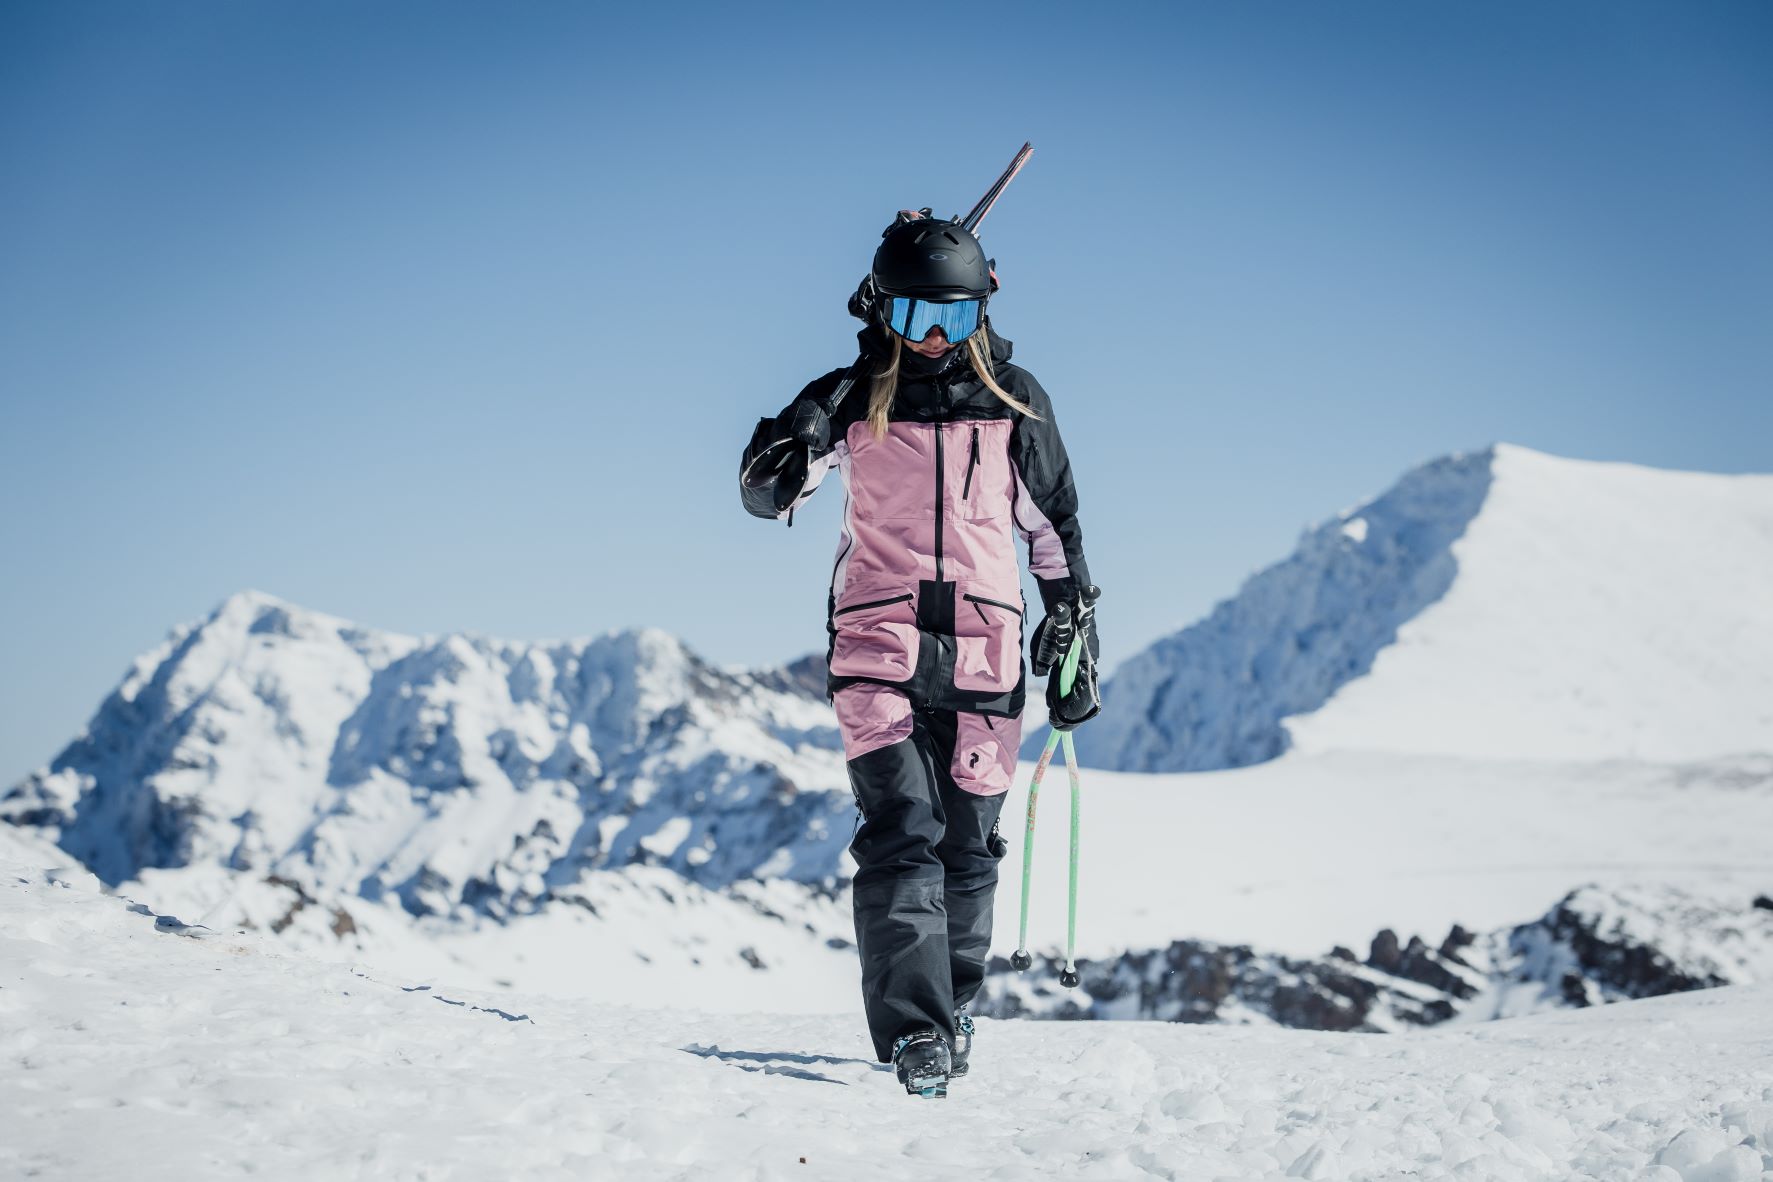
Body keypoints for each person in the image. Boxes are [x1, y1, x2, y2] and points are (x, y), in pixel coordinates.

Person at [739, 209, 1099, 1097]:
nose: (935, 340)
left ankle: (951, 1003)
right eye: (911, 320)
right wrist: (786, 451)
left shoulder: (1016, 401)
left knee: (969, 848)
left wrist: (1074, 638)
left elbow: (1052, 530)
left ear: (984, 309)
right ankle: (915, 1036)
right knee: (903, 832)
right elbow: (766, 488)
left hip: (987, 648)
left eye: (954, 317)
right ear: (881, 312)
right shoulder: (854, 396)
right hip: (878, 638)